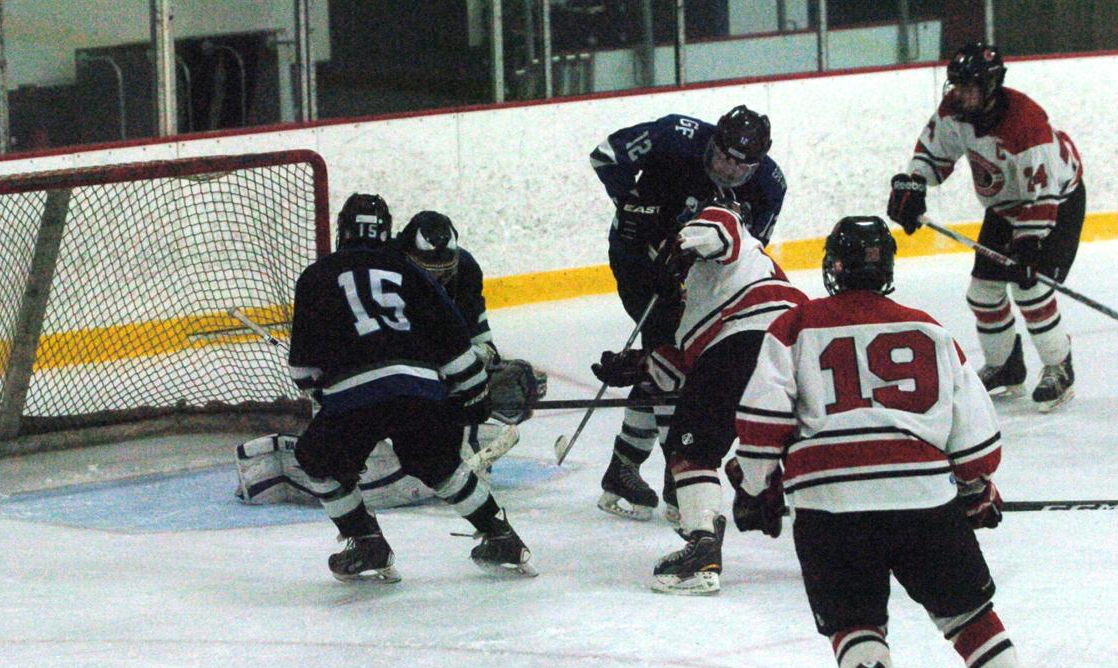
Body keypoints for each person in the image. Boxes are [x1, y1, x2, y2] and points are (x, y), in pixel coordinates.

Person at [731, 216, 1067, 668]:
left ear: (832, 268)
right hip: (924, 504)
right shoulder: (929, 329)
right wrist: (976, 490)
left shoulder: (794, 326)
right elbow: (978, 442)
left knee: (854, 620)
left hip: (828, 506)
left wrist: (753, 487)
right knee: (967, 615)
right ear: (887, 269)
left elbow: (761, 423)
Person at [286, 192, 537, 582]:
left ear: (342, 231)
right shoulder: (408, 271)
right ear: (387, 232)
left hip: (355, 395)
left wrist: (321, 391)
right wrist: (474, 392)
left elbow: (303, 368)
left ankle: (367, 543)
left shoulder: (317, 275)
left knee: (318, 460)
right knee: (440, 466)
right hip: (418, 389)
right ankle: (500, 536)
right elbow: (450, 337)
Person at [235, 208, 545, 510]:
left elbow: (477, 337)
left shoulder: (465, 268)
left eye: (444, 272)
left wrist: (480, 372)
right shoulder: (390, 264)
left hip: (420, 372)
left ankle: (436, 462)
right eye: (428, 272)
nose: (437, 280)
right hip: (386, 369)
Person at [590, 200, 806, 594]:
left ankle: (702, 548)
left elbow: (718, 227)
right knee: (793, 437)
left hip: (749, 341)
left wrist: (680, 245)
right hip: (798, 351)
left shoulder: (731, 239)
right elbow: (682, 371)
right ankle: (767, 484)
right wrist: (637, 368)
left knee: (692, 450)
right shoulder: (703, 294)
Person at [589, 104, 787, 519]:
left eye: (741, 165)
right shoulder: (675, 135)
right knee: (669, 359)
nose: (730, 171)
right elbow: (606, 154)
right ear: (712, 141)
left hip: (695, 278)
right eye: (723, 157)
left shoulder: (770, 185)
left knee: (673, 363)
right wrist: (630, 203)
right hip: (638, 260)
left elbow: (746, 247)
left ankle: (622, 468)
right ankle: (674, 476)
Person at [887, 42, 1085, 413]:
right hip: (1005, 206)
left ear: (991, 86)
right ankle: (1006, 365)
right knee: (983, 293)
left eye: (968, 87)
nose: (958, 93)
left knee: (1030, 288)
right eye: (956, 85)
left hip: (1057, 204)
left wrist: (1029, 247)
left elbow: (1041, 199)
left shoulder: (1027, 126)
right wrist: (913, 185)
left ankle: (1060, 366)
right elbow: (933, 154)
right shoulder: (956, 111)